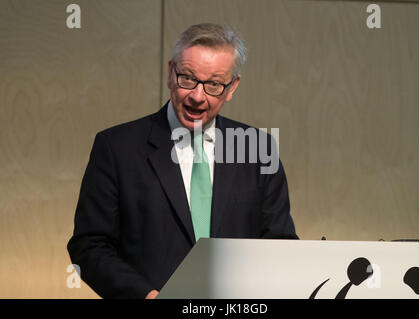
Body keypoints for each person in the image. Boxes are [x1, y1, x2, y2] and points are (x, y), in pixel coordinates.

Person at [67, 23, 298, 299]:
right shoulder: (117, 148)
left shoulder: (258, 149)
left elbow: (280, 246)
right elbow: (89, 246)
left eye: (213, 84)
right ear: (170, 73)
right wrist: (147, 296)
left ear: (232, 87)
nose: (197, 97)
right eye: (187, 78)